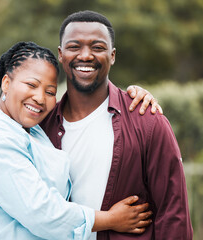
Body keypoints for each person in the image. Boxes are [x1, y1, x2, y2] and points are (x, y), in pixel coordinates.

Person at [0, 41, 154, 240]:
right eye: (31, 85)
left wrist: (131, 96)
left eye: (50, 92)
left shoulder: (32, 131)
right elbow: (41, 212)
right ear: (6, 83)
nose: (40, 98)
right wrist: (110, 219)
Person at [40, 10, 193, 240]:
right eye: (74, 47)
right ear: (61, 55)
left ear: (112, 56)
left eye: (97, 47)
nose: (85, 55)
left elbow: (174, 214)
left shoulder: (147, 120)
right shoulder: (40, 128)